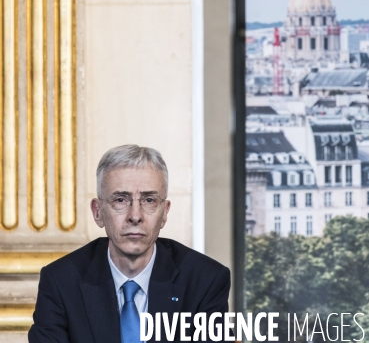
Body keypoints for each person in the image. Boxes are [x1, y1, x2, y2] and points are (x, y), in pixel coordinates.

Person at [28, 145, 230, 343]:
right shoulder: (61, 281)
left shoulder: (206, 280)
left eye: (149, 200)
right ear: (98, 212)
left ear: (165, 213)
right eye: (120, 200)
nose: (135, 216)